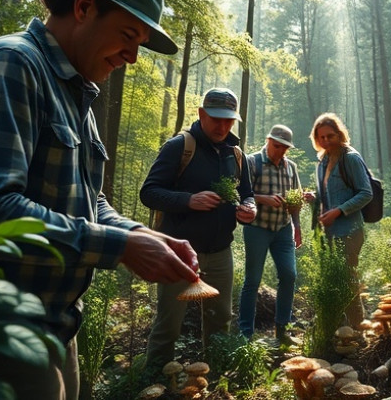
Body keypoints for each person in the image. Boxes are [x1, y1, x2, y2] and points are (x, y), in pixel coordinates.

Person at [0, 0, 199, 399]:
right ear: (84, 7)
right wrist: (120, 247)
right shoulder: (9, 66)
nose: (133, 57)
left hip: (54, 327)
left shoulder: (75, 96)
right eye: (128, 35)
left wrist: (135, 233)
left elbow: (86, 200)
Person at [140, 88, 256, 367]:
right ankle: (154, 380)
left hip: (220, 252)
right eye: (216, 119)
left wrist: (249, 209)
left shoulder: (236, 155)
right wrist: (188, 200)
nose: (223, 127)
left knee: (220, 320)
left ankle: (215, 379)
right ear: (201, 114)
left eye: (229, 120)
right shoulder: (180, 147)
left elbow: (248, 193)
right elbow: (149, 192)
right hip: (178, 252)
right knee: (169, 324)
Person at [238, 125, 304, 345]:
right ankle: (245, 334)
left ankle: (282, 331)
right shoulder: (252, 162)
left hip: (283, 229)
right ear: (268, 141)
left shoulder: (291, 167)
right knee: (253, 280)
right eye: (277, 146)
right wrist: (263, 199)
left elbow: (295, 200)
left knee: (289, 275)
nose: (281, 151)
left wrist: (297, 227)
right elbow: (240, 194)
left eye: (285, 148)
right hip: (257, 227)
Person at [309, 113, 373, 329]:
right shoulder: (322, 162)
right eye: (322, 137)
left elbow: (366, 193)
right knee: (332, 278)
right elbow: (326, 195)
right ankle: (339, 327)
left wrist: (338, 211)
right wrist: (313, 198)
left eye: (330, 136)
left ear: (339, 134)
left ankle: (357, 327)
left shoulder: (350, 158)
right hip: (328, 232)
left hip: (349, 229)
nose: (326, 140)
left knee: (347, 277)